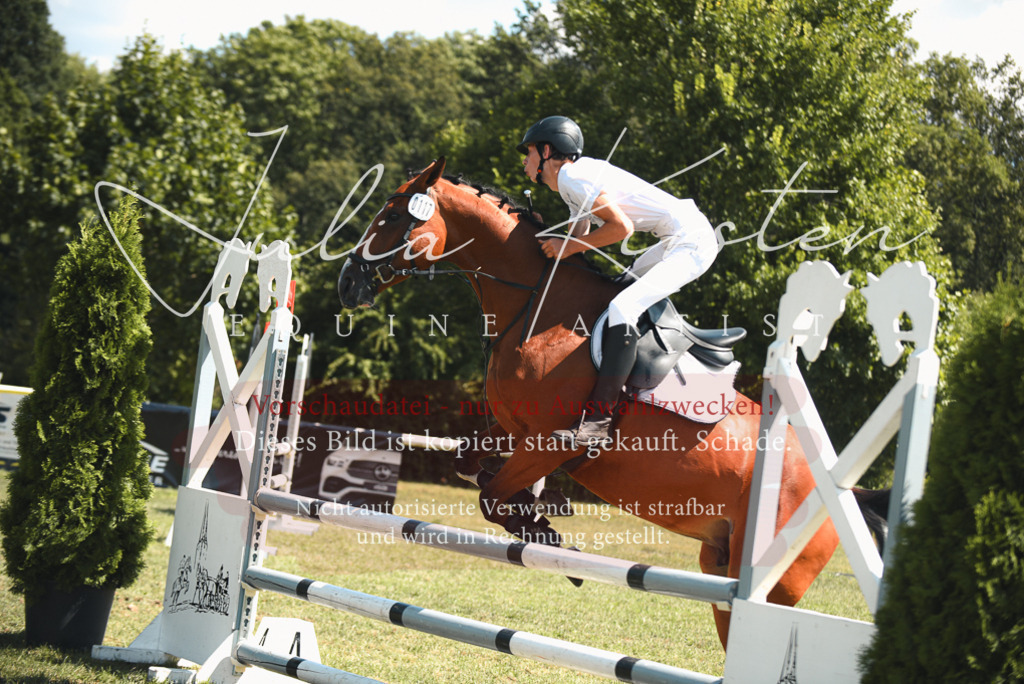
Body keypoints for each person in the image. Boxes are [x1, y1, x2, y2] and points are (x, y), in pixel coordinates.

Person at [517, 115, 718, 449]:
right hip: (673, 238)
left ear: (547, 151)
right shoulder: (572, 181)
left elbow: (620, 228)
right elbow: (578, 232)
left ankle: (598, 420)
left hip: (692, 242)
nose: (525, 160)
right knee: (620, 286)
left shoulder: (572, 176)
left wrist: (565, 247)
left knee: (623, 305)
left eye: (529, 152)